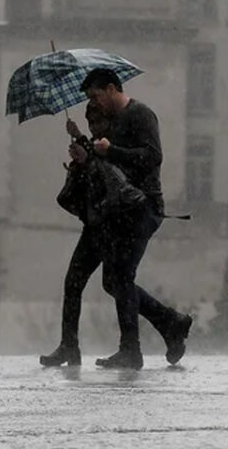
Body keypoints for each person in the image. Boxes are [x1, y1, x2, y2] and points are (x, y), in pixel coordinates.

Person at [40, 103, 191, 368]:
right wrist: (78, 155)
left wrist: (88, 155)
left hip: (114, 222)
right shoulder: (94, 145)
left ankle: (143, 340)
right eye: (91, 123)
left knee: (117, 281)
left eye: (99, 122)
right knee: (77, 281)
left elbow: (114, 176)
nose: (95, 128)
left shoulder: (113, 144)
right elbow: (88, 181)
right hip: (96, 223)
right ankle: (69, 346)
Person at [81, 68, 192, 370]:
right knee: (113, 281)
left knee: (121, 277)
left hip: (143, 207)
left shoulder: (141, 114)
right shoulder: (113, 122)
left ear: (111, 88)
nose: (95, 103)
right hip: (121, 210)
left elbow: (152, 157)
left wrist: (111, 150)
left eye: (95, 96)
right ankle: (170, 322)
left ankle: (132, 349)